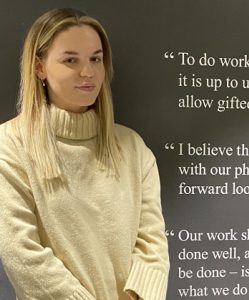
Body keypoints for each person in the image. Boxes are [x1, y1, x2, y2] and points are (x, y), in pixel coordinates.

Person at [0, 8, 169, 300]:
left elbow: (152, 244)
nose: (88, 72)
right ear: (39, 67)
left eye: (95, 58)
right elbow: (22, 252)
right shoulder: (10, 146)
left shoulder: (132, 147)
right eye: (70, 60)